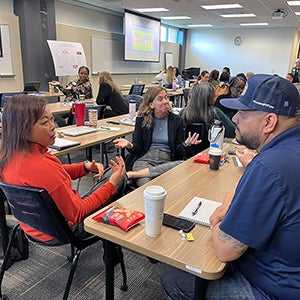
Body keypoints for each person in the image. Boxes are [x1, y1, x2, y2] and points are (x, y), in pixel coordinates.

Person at [161, 74, 300, 299]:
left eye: (243, 113)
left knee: (176, 277)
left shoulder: (269, 167)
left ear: (269, 122)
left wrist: (223, 209)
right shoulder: (287, 151)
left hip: (270, 289)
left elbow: (224, 250)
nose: (234, 118)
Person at [0, 94, 126, 243]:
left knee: (112, 176)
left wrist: (83, 167)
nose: (53, 126)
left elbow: (52, 178)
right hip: (66, 230)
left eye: (52, 119)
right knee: (119, 177)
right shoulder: (42, 166)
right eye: (45, 122)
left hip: (34, 227)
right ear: (23, 129)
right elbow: (78, 213)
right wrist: (112, 184)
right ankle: (112, 246)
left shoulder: (8, 155)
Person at [113, 86, 201, 187]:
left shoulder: (176, 121)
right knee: (146, 186)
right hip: (145, 160)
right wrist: (129, 144)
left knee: (182, 165)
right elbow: (138, 149)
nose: (165, 101)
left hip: (166, 160)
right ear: (151, 104)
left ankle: (133, 175)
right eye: (160, 99)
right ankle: (141, 175)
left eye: (166, 97)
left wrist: (187, 143)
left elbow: (178, 150)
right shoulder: (142, 120)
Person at [180, 82, 235, 156]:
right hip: (210, 154)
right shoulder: (215, 112)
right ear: (211, 97)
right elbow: (232, 132)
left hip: (186, 155)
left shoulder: (183, 113)